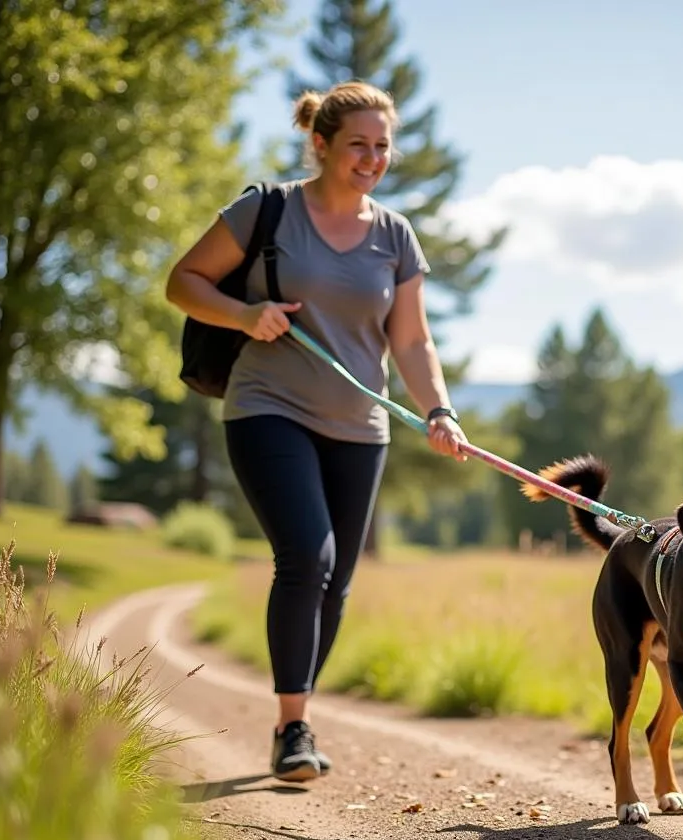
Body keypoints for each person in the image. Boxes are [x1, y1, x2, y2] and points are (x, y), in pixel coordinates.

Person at [165, 81, 468, 781]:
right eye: (358, 144)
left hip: (360, 426)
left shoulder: (395, 235)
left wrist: (440, 410)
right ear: (321, 143)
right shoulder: (266, 210)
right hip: (268, 405)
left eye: (382, 146)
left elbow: (413, 341)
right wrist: (245, 316)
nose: (371, 158)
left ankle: (295, 717)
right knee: (308, 555)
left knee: (335, 585)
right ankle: (292, 726)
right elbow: (182, 282)